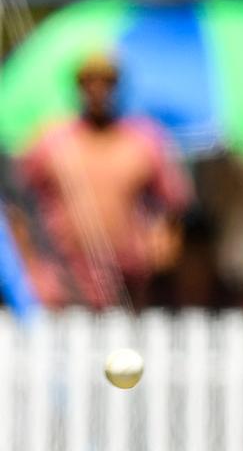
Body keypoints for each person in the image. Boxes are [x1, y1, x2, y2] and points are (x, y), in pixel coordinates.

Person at [17, 51, 191, 308]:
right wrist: (29, 265)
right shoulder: (52, 141)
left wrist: (163, 244)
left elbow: (175, 204)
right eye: (90, 82)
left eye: (107, 82)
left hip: (129, 283)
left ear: (118, 86)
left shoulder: (143, 139)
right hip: (63, 284)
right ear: (79, 87)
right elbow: (16, 204)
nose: (98, 90)